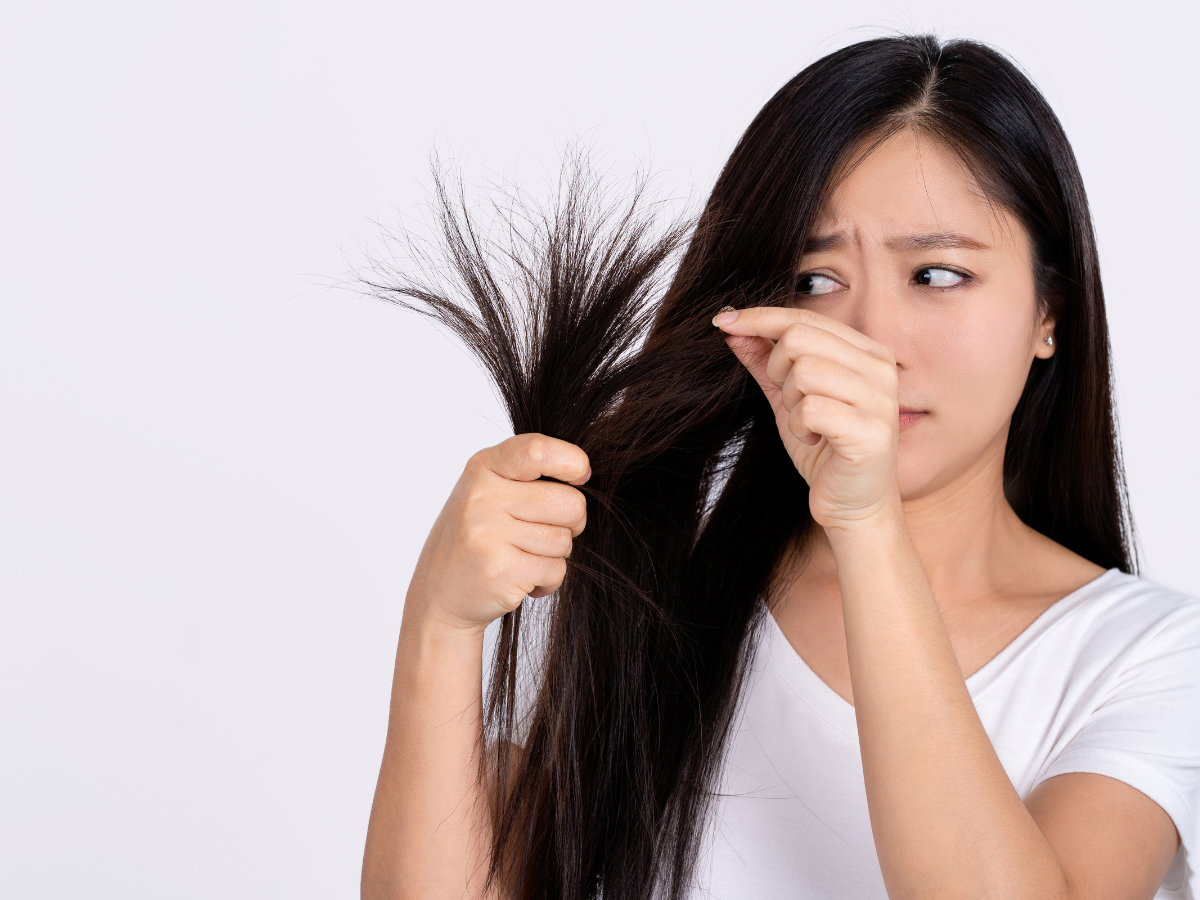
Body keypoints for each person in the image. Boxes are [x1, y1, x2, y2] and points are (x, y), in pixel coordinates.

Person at [360, 34, 1200, 900]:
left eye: (938, 274)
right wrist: (440, 623)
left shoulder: (1150, 656)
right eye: (813, 281)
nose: (871, 340)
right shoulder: (631, 590)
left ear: (1049, 313)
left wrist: (867, 524)